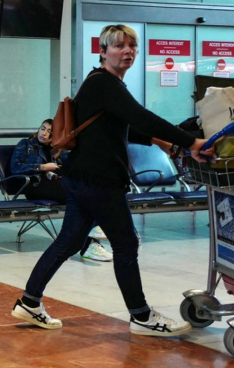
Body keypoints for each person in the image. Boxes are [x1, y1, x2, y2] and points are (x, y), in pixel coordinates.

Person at [11, 24, 213, 337]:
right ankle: (142, 316)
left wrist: (169, 144)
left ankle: (29, 300)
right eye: (119, 46)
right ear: (103, 52)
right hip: (98, 179)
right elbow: (140, 116)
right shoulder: (104, 83)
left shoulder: (105, 84)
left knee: (71, 240)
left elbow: (126, 128)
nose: (128, 52)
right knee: (126, 242)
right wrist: (191, 142)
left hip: (83, 177)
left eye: (132, 46)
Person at [11, 119, 113, 262]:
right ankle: (91, 240)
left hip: (56, 184)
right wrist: (42, 167)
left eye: (49, 132)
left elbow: (73, 167)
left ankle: (90, 243)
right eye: (42, 128)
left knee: (84, 195)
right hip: (34, 184)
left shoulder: (58, 149)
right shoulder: (25, 144)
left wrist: (62, 153)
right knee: (80, 195)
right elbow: (15, 168)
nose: (44, 133)